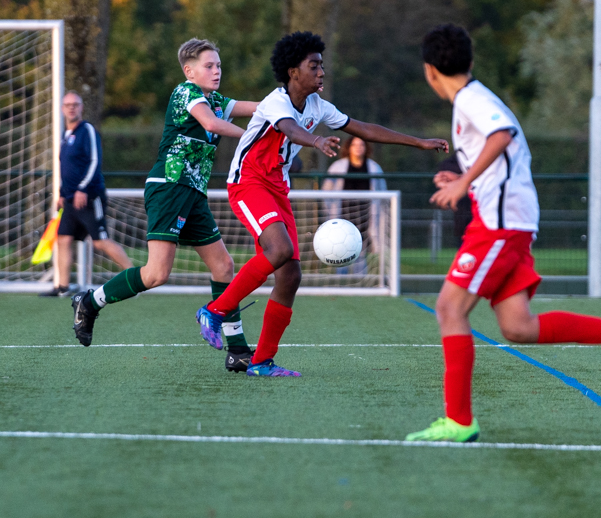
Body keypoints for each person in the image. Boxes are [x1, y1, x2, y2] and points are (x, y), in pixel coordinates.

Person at [405, 24, 601, 443]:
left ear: (430, 71)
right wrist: (466, 176)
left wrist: (464, 183)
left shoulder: (470, 98)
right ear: (469, 60)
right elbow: (504, 145)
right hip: (510, 220)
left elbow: (503, 135)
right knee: (518, 327)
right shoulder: (474, 97)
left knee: (450, 309)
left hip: (500, 224)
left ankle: (459, 421)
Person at [194, 31, 448, 377]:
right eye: (314, 66)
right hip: (248, 183)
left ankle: (262, 361)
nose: (321, 72)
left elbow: (363, 128)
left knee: (291, 276)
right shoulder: (276, 102)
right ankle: (215, 310)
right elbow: (289, 129)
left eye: (322, 66)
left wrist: (417, 142)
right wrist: (315, 140)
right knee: (280, 250)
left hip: (277, 188)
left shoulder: (317, 106)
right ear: (293, 71)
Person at [71, 39, 260, 374]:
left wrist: (291, 107)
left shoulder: (215, 99)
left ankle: (238, 351)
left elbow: (257, 107)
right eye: (209, 66)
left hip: (192, 193)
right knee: (156, 274)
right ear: (189, 71)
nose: (217, 71)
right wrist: (254, 140)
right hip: (170, 188)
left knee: (223, 266)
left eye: (219, 65)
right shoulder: (186, 93)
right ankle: (90, 301)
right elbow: (212, 125)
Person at [40, 92, 133, 297]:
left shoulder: (87, 130)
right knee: (63, 238)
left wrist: (82, 188)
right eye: (68, 105)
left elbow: (94, 162)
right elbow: (66, 167)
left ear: (81, 107)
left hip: (89, 197)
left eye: (75, 104)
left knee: (100, 241)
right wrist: (62, 193)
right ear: (62, 108)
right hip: (70, 200)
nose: (71, 108)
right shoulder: (65, 135)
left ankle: (135, 279)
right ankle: (62, 287)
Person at [321, 136, 386, 273]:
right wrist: (330, 212)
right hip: (343, 215)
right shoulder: (338, 167)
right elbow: (326, 191)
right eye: (354, 145)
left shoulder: (374, 168)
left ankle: (361, 280)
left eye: (361, 144)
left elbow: (383, 193)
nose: (358, 147)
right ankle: (341, 280)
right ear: (349, 148)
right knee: (342, 248)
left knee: (361, 249)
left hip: (365, 215)